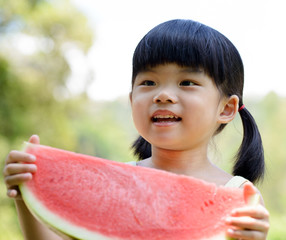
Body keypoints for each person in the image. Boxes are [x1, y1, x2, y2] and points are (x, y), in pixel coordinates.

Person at [3, 19, 269, 240]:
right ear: (131, 100)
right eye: (149, 82)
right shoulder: (113, 184)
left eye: (187, 82)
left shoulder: (239, 195)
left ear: (226, 108)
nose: (163, 95)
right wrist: (26, 196)